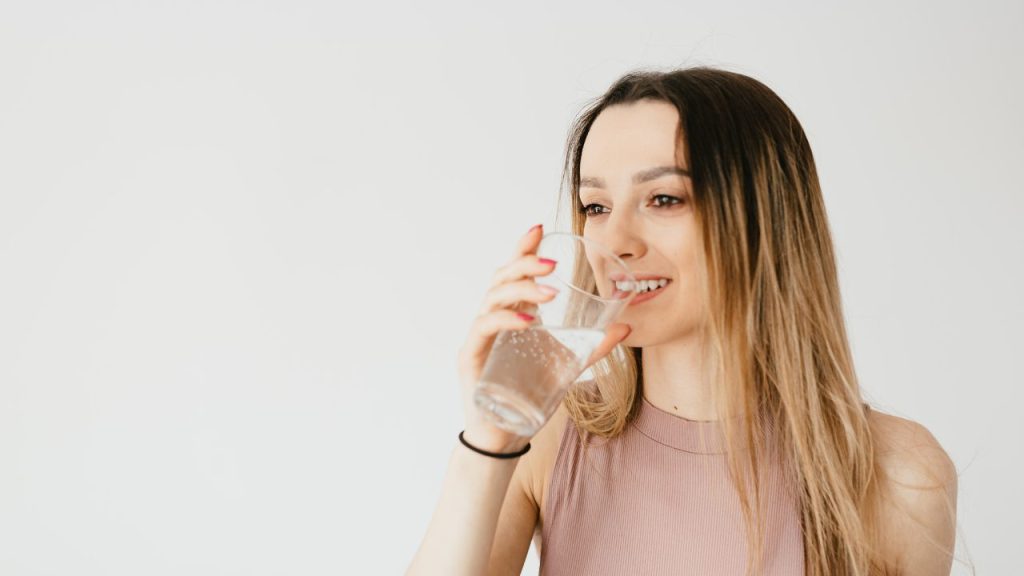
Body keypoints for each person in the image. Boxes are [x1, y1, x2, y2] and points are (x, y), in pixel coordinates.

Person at [406, 67, 959, 576]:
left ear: (764, 219)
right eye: (596, 207)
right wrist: (490, 437)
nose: (614, 243)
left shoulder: (896, 472)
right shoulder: (552, 438)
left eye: (664, 198)